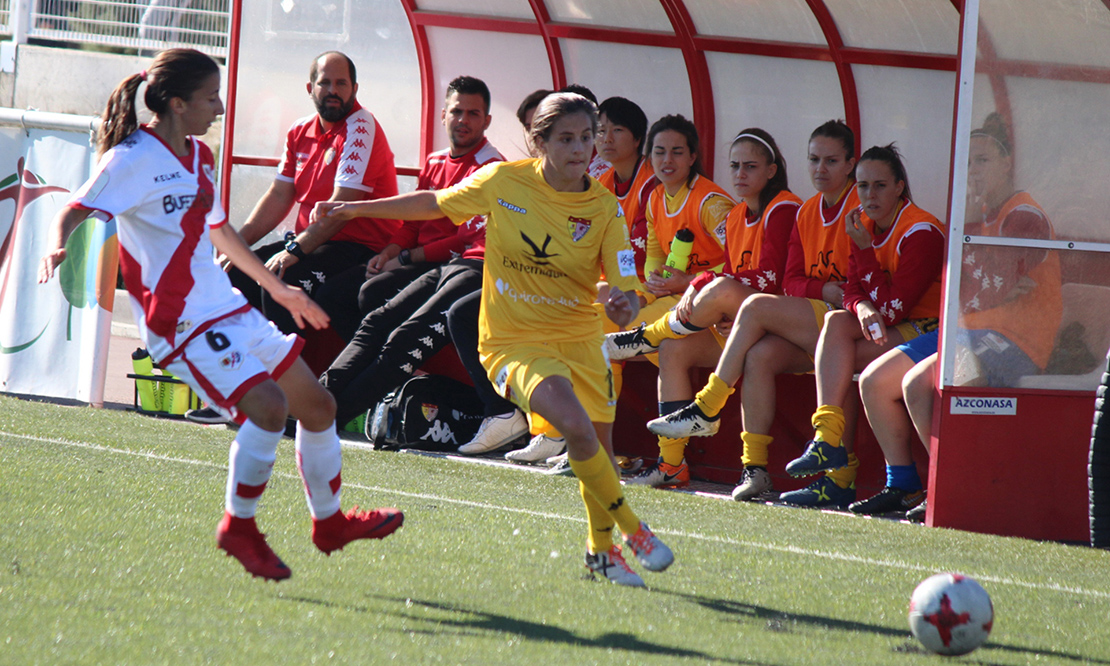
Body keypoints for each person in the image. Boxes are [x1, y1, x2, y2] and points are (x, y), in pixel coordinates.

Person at [37, 49, 402, 582]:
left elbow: (223, 232)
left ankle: (329, 523)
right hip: (180, 322)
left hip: (226, 310)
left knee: (319, 406)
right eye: (211, 97)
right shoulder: (132, 157)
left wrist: (281, 287)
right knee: (270, 408)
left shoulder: (200, 158)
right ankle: (240, 526)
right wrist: (56, 244)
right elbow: (75, 207)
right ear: (179, 103)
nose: (222, 107)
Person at [313, 93, 674, 587]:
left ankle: (600, 552)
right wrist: (353, 210)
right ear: (539, 142)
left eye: (587, 138)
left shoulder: (605, 208)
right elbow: (434, 204)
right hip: (513, 339)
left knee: (600, 453)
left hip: (581, 338)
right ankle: (635, 530)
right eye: (566, 138)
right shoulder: (505, 181)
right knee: (574, 425)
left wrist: (624, 304)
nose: (580, 149)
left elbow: (624, 283)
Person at [850, 112, 1061, 516]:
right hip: (967, 328)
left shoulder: (1024, 215)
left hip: (1017, 339)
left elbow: (988, 293)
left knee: (915, 383)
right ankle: (904, 486)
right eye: (968, 161)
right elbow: (973, 293)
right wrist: (987, 290)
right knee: (875, 381)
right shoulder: (976, 217)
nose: (973, 170)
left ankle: (946, 485)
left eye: (983, 160)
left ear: (1006, 164)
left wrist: (988, 290)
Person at [646, 120, 860, 502]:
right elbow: (792, 281)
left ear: (850, 164)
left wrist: (707, 286)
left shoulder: (798, 207)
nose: (820, 169)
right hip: (802, 317)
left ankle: (707, 401)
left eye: (831, 161)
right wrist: (822, 287)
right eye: (814, 159)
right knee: (747, 355)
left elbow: (774, 281)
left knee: (751, 303)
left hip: (852, 321)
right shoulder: (806, 209)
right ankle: (747, 468)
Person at [612, 128, 800, 489]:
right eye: (735, 166)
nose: (740, 175)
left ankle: (643, 338)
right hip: (745, 319)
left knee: (726, 294)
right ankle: (671, 466)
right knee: (673, 349)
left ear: (772, 171)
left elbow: (773, 279)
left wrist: (699, 286)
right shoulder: (736, 214)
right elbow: (727, 272)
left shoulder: (783, 208)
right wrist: (691, 287)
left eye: (750, 167)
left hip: (785, 324)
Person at [780, 144, 945, 508]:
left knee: (840, 358)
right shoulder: (862, 224)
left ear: (900, 187)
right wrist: (862, 306)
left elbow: (896, 308)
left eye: (880, 186)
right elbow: (852, 288)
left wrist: (866, 259)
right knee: (838, 326)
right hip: (888, 324)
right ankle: (828, 443)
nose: (869, 195)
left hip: (927, 328)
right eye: (862, 186)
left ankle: (853, 470)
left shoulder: (921, 231)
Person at [500, 95, 659, 465]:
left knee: (592, 331)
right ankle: (549, 433)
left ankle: (584, 443)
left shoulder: (652, 186)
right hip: (604, 289)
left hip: (645, 292)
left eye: (615, 131)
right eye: (600, 131)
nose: (604, 140)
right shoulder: (598, 180)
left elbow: (641, 261)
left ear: (638, 140)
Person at [313, 75, 504, 342]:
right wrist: (388, 253)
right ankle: (368, 366)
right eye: (456, 111)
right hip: (414, 259)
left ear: (487, 121)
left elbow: (464, 242)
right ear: (443, 115)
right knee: (330, 294)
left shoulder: (491, 168)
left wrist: (403, 259)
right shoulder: (435, 160)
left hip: (450, 266)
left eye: (473, 113)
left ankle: (390, 370)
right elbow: (413, 223)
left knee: (373, 292)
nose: (463, 120)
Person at [225, 51, 400, 336]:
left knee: (281, 281)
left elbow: (342, 209)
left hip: (358, 246)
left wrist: (294, 250)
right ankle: (248, 373)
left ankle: (291, 377)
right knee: (234, 275)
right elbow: (279, 195)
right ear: (310, 89)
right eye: (324, 82)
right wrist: (236, 249)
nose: (333, 91)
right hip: (314, 242)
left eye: (342, 83)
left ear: (355, 89)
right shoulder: (298, 130)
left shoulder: (361, 126)